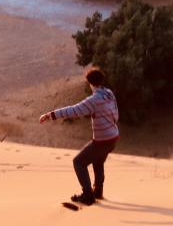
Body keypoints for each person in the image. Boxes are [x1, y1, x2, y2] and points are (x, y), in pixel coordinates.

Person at [39, 68, 119, 206]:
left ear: (90, 83)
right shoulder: (109, 93)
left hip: (103, 140)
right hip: (113, 137)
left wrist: (50, 115)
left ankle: (88, 195)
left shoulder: (94, 100)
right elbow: (116, 114)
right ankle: (98, 192)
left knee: (78, 162)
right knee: (98, 162)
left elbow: (73, 110)